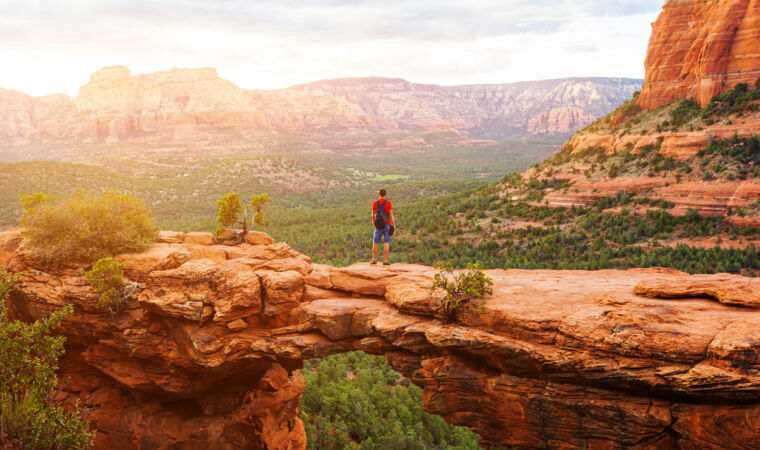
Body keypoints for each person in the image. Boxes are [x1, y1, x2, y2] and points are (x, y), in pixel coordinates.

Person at [371, 189, 395, 265]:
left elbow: (373, 215)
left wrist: (374, 225)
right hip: (387, 225)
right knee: (386, 243)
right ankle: (385, 261)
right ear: (386, 194)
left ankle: (374, 260)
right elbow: (391, 215)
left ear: (379, 194)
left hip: (378, 225)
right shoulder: (388, 203)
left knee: (375, 243)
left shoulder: (375, 203)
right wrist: (393, 225)